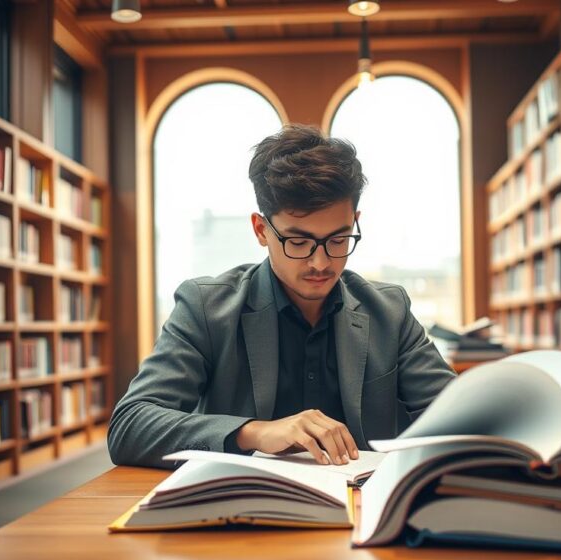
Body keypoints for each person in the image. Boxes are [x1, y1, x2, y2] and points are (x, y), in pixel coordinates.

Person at [108, 123, 455, 468]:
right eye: (299, 242)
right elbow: (130, 426)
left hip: (365, 507)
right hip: (244, 507)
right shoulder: (205, 308)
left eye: (338, 239)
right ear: (261, 230)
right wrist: (255, 433)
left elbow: (459, 415)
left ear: (354, 222)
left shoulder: (389, 312)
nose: (320, 263)